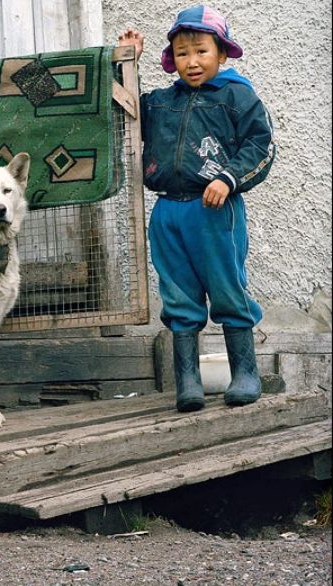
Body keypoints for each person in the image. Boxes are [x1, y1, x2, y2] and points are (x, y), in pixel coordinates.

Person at [118, 5, 275, 412]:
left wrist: (228, 178)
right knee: (177, 294)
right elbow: (123, 109)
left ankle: (245, 373)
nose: (192, 61)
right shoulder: (161, 102)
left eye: (201, 51)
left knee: (226, 287)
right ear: (173, 59)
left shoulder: (237, 96)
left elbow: (261, 146)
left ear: (221, 54)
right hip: (169, 213)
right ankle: (187, 381)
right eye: (183, 52)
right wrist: (127, 64)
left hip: (215, 212)